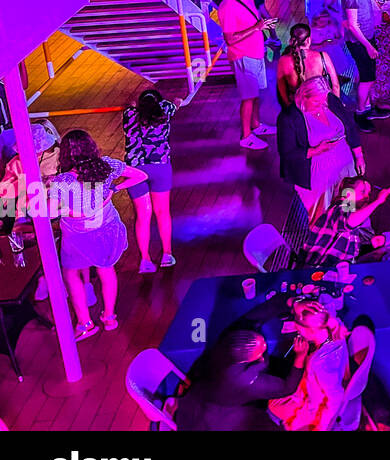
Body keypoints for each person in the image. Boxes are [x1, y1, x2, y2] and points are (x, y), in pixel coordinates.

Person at [48, 131, 148, 340]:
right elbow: (141, 175)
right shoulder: (107, 166)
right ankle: (109, 317)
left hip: (77, 237)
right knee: (106, 269)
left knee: (71, 274)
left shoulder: (63, 181)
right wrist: (115, 188)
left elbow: (50, 211)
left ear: (65, 154)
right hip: (107, 230)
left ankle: (85, 323)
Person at [174, 330, 305, 432]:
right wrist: (300, 356)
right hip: (209, 420)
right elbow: (288, 388)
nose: (263, 358)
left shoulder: (223, 349)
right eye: (260, 354)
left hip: (196, 405)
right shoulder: (246, 381)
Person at [276, 76, 365, 225]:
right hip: (316, 172)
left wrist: (359, 155)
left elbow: (350, 127)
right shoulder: (289, 118)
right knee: (322, 215)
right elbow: (287, 154)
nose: (323, 104)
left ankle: (347, 232)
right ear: (304, 97)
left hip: (345, 165)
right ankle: (323, 240)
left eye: (324, 99)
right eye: (317, 101)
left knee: (348, 206)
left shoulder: (330, 100)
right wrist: (317, 150)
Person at [215, 0, 277, 149]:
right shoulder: (228, 6)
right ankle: (246, 135)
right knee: (248, 97)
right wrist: (256, 28)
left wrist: (262, 25)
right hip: (243, 55)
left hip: (256, 52)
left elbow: (252, 22)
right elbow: (230, 39)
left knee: (257, 93)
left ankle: (256, 125)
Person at [121, 89, 178, 274]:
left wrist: (133, 105)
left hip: (135, 171)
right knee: (162, 212)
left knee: (143, 215)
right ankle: (167, 254)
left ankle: (145, 259)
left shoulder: (130, 115)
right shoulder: (165, 110)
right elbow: (176, 101)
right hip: (160, 167)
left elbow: (129, 105)